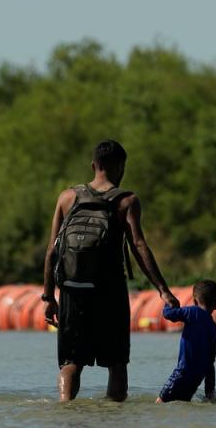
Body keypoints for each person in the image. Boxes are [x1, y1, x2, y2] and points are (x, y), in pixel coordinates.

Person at [43, 139, 179, 402]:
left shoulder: (67, 197)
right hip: (110, 292)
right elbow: (139, 246)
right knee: (116, 363)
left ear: (94, 165)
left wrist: (48, 297)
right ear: (121, 167)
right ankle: (114, 416)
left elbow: (52, 250)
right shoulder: (126, 201)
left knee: (71, 362)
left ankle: (65, 408)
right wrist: (162, 290)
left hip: (72, 290)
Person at [157, 280, 216, 403]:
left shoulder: (192, 312)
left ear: (194, 301)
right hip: (197, 378)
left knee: (160, 403)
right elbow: (210, 362)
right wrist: (209, 391)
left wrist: (169, 302)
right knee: (183, 404)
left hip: (182, 373)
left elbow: (169, 314)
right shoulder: (214, 328)